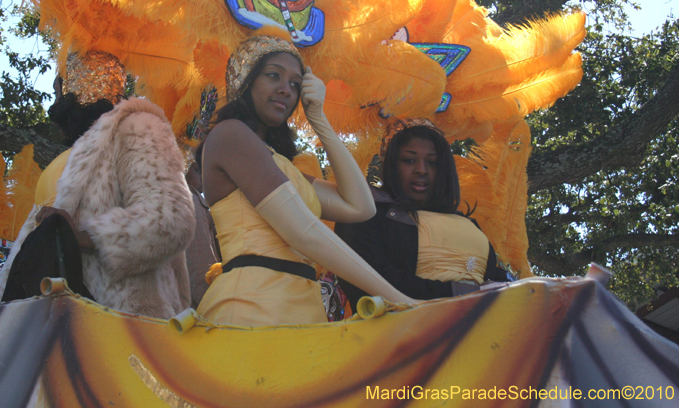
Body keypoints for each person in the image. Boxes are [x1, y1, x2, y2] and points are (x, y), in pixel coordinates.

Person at [195, 32, 419, 326]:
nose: (286, 90)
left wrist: (319, 120)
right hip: (250, 309)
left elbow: (361, 207)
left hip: (302, 310)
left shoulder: (279, 164)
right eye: (273, 76)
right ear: (246, 80)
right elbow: (302, 232)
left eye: (295, 84)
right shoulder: (230, 135)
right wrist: (397, 299)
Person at [0, 51, 195, 319]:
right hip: (57, 321)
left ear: (72, 87)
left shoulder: (137, 126)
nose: (55, 94)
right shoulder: (65, 160)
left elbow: (169, 217)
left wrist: (84, 237)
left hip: (127, 323)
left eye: (58, 87)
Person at [335, 121, 511, 311]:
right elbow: (369, 280)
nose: (421, 170)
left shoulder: (469, 224)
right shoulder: (365, 212)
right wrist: (464, 295)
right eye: (409, 160)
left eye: (432, 163)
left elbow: (497, 283)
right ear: (392, 165)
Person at [184, 159, 220, 308]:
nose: (203, 179)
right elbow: (202, 271)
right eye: (197, 170)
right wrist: (213, 307)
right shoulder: (191, 201)